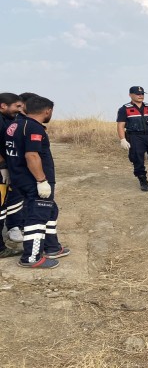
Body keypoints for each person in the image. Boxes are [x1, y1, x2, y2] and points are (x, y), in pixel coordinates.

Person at [5, 95, 70, 268]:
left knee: (50, 210)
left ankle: (52, 247)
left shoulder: (15, 124)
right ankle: (31, 257)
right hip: (33, 179)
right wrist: (41, 180)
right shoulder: (33, 128)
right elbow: (32, 155)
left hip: (20, 178)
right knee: (38, 215)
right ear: (48, 111)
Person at [5, 92, 40, 244]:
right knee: (15, 198)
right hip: (15, 167)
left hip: (25, 168)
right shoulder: (13, 121)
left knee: (26, 198)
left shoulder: (26, 122)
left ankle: (24, 223)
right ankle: (14, 226)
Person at [0, 92, 24, 258]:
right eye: (17, 106)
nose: (19, 109)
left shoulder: (9, 119)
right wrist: (2, 166)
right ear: (3, 105)